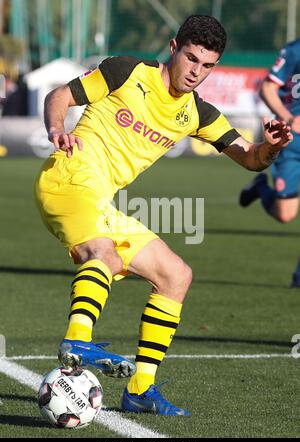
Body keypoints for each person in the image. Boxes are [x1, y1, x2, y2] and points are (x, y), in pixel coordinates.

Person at [35, 15, 292, 416]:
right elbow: (59, 95)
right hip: (68, 177)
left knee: (175, 275)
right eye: (191, 58)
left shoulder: (197, 113)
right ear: (174, 48)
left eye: (207, 65)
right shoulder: (127, 71)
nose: (196, 72)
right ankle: (77, 340)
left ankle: (140, 389)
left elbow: (249, 157)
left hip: (101, 200)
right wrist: (56, 129)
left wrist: (271, 148)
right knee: (104, 254)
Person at [239, 38, 300, 286]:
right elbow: (267, 88)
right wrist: (288, 118)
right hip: (291, 141)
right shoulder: (294, 51)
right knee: (285, 215)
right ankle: (260, 187)